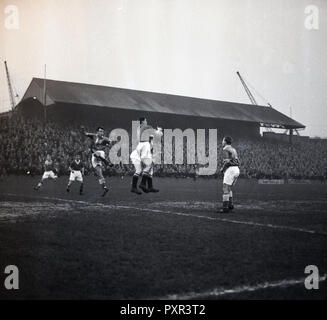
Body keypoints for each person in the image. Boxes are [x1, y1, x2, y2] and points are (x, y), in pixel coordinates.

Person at [130, 117, 162, 194]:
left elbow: (150, 137)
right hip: (143, 147)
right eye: (146, 120)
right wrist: (159, 130)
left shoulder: (138, 129)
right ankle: (143, 184)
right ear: (143, 121)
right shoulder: (146, 127)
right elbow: (157, 134)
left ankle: (139, 187)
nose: (146, 121)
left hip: (140, 148)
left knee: (143, 170)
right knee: (149, 165)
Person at [81, 126, 114, 197]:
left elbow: (111, 142)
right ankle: (104, 188)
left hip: (100, 153)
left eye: (102, 131)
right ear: (97, 132)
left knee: (95, 152)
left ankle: (106, 162)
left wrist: (108, 145)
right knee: (99, 174)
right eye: (100, 131)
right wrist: (83, 129)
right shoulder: (94, 136)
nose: (102, 132)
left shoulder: (105, 138)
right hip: (94, 156)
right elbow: (85, 133)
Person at [218, 136, 240, 213]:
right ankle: (230, 205)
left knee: (225, 188)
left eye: (223, 140)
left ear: (225, 141)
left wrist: (222, 169)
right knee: (229, 187)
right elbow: (237, 161)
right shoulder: (233, 149)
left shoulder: (225, 149)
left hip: (230, 169)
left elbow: (227, 162)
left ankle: (225, 208)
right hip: (236, 169)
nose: (222, 142)